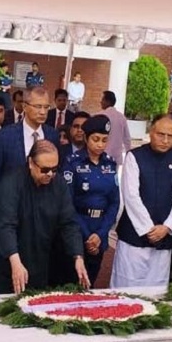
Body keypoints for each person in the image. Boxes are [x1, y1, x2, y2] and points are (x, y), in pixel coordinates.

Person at [0, 140, 88, 293]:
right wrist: (15, 261)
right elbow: (6, 225)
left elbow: (69, 222)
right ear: (31, 163)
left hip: (43, 259)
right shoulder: (11, 183)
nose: (50, 174)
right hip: (10, 260)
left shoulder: (59, 184)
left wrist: (78, 256)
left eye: (54, 169)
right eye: (45, 169)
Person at [111, 115, 172, 288]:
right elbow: (131, 196)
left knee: (157, 288)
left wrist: (166, 227)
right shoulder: (135, 156)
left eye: (170, 136)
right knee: (126, 286)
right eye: (161, 134)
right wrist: (148, 229)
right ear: (151, 132)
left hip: (164, 236)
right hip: (134, 237)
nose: (165, 140)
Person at [62, 115, 119, 286]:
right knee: (72, 283)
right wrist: (88, 236)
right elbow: (67, 203)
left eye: (104, 140)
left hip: (100, 229)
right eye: (96, 139)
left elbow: (114, 202)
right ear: (86, 138)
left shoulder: (110, 164)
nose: (100, 144)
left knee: (91, 282)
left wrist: (100, 234)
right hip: (78, 228)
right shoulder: (72, 163)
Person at [0, 86, 60, 196]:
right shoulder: (4, 136)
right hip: (12, 200)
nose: (43, 112)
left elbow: (57, 173)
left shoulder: (52, 135)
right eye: (38, 106)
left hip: (44, 200)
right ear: (24, 106)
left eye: (46, 107)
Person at [99, 90, 132, 166]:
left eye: (102, 99)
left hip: (101, 156)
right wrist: (128, 155)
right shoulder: (122, 117)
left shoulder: (99, 116)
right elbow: (127, 139)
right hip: (116, 157)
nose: (100, 102)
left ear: (107, 101)